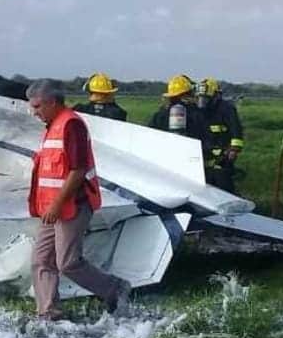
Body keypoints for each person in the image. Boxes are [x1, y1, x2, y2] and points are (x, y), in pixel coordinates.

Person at [26, 79, 131, 320]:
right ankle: (48, 312)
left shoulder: (71, 125)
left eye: (38, 106)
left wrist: (56, 204)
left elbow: (78, 170)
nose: (35, 112)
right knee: (41, 259)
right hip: (50, 209)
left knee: (68, 263)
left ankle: (115, 289)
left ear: (52, 102)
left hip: (72, 206)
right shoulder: (52, 125)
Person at [196, 78, 245, 193]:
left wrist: (234, 149)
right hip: (205, 153)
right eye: (200, 98)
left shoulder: (227, 109)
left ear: (216, 96)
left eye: (206, 98)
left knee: (223, 184)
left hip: (224, 154)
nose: (203, 102)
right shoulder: (199, 111)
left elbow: (236, 129)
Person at [148, 74, 206, 142]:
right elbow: (205, 138)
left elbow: (150, 137)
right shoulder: (196, 114)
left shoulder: (159, 116)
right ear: (186, 94)